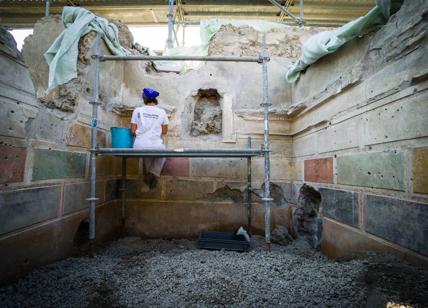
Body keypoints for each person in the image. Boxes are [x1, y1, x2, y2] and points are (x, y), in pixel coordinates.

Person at [131, 88, 168, 187]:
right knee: (162, 150)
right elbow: (164, 131)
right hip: (155, 145)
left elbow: (133, 131)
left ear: (144, 99)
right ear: (155, 99)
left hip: (139, 146)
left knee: (146, 150)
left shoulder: (137, 110)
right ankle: (153, 173)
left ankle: (148, 173)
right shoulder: (162, 112)